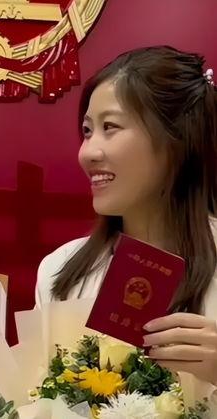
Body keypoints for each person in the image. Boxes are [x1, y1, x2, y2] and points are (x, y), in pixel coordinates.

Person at [35, 46, 217, 384]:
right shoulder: (59, 271)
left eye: (110, 127)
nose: (87, 153)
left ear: (176, 140)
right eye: (87, 130)